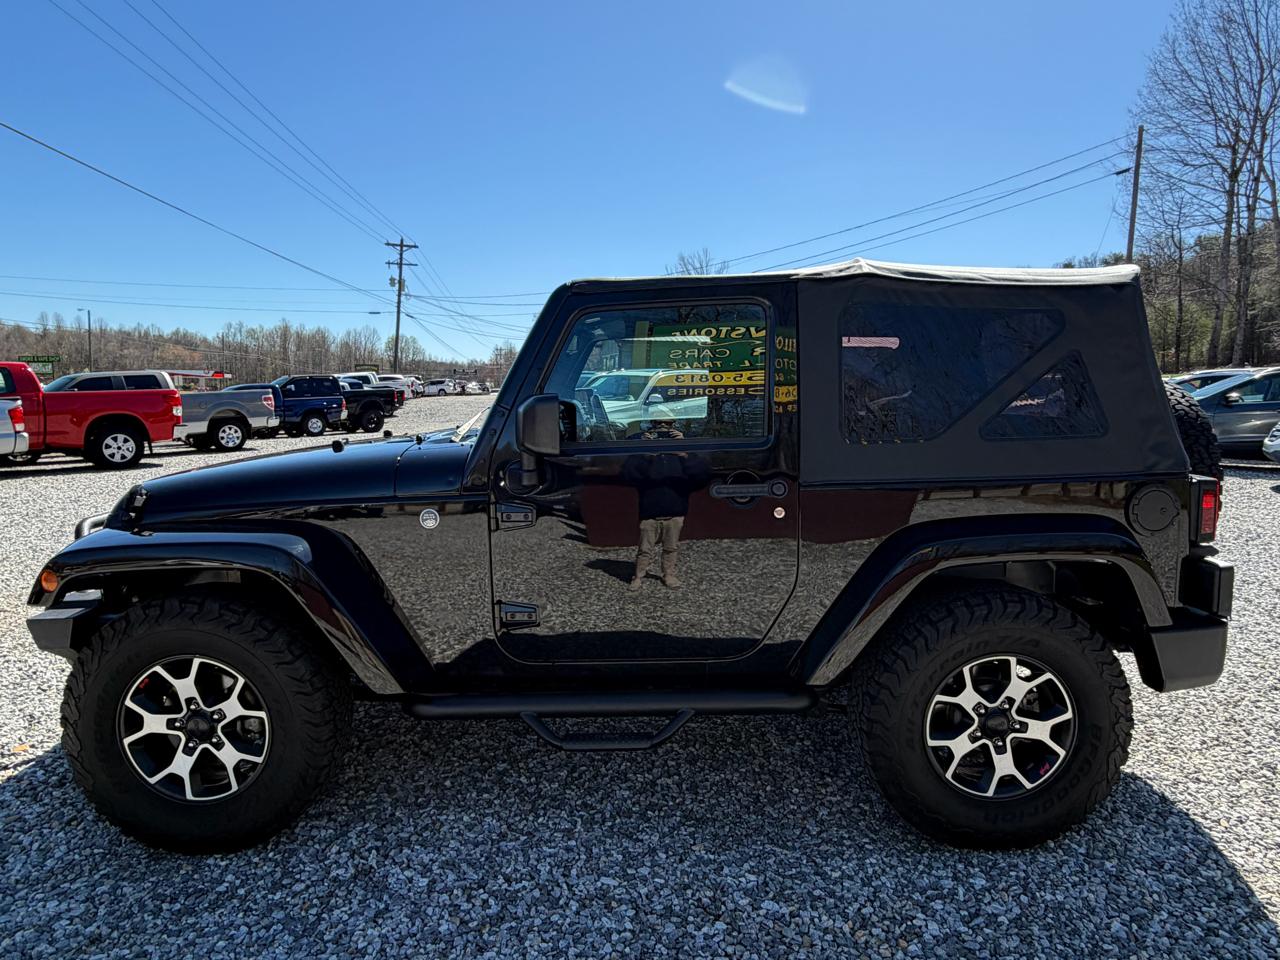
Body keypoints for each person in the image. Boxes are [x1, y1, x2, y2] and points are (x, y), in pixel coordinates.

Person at [622, 408, 710, 591]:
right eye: (657, 424)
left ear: (675, 426)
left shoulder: (686, 447)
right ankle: (638, 576)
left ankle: (669, 574)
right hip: (649, 509)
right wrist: (645, 454)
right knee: (644, 549)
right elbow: (628, 475)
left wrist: (683, 452)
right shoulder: (641, 448)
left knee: (671, 548)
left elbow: (701, 476)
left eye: (667, 425)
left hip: (675, 508)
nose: (662, 429)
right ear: (650, 425)